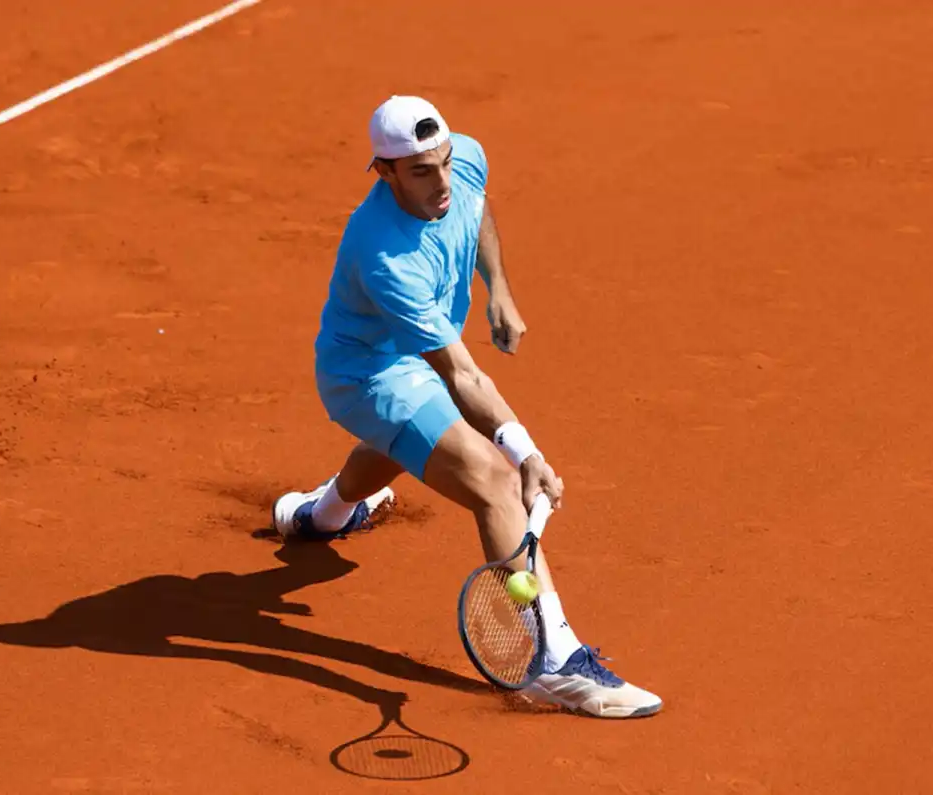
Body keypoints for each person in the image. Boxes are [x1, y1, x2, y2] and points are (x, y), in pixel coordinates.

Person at [272, 96, 661, 719]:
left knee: (415, 443)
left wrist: (498, 289)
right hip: (367, 374)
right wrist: (526, 452)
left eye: (446, 162)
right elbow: (460, 375)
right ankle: (553, 663)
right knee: (492, 477)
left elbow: (475, 206)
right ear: (385, 172)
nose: (443, 182)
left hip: (421, 354)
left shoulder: (463, 162)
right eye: (422, 172)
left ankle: (323, 515)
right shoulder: (384, 254)